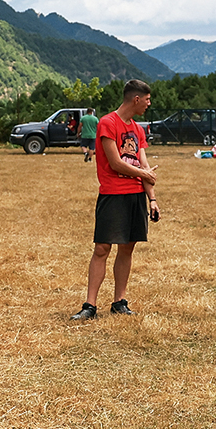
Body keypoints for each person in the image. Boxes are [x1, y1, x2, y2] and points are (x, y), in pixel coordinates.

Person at [72, 80, 159, 319]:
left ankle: (119, 301)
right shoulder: (107, 123)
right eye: (148, 100)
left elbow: (144, 164)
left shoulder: (138, 130)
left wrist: (152, 198)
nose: (149, 104)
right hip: (113, 194)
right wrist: (144, 173)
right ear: (136, 99)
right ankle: (89, 306)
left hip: (135, 196)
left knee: (127, 248)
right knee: (102, 248)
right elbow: (115, 162)